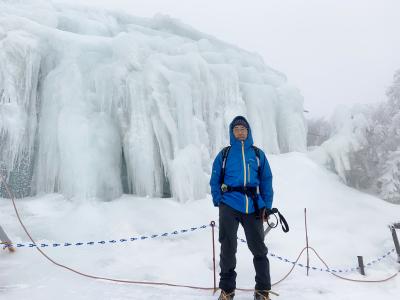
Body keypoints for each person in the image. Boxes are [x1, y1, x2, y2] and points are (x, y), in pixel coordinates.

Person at [210, 116, 273, 300]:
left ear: (248, 132)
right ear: (232, 132)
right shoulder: (225, 154)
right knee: (228, 248)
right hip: (229, 204)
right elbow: (215, 179)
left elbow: (266, 181)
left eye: (243, 129)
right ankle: (227, 291)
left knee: (259, 249)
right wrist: (219, 200)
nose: (240, 132)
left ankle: (262, 291)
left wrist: (266, 207)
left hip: (253, 206)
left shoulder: (258, 154)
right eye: (236, 129)